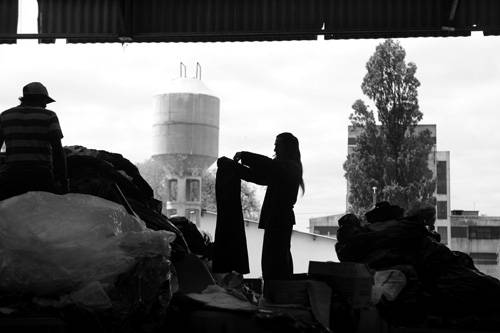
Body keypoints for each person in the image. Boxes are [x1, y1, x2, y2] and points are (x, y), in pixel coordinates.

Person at [233, 132, 304, 280]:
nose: (275, 149)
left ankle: (277, 292)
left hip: (279, 220)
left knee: (274, 261)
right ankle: (278, 292)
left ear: (286, 148)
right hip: (278, 220)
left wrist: (244, 156)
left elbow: (268, 166)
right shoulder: (287, 169)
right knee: (276, 260)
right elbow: (259, 175)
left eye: (278, 145)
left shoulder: (289, 168)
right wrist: (238, 170)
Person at [0, 82, 68, 200]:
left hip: (12, 175)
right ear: (39, 98)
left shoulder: (5, 116)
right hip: (41, 176)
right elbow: (58, 150)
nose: (46, 105)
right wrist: (64, 181)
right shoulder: (49, 116)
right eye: (44, 101)